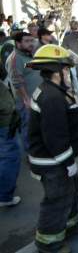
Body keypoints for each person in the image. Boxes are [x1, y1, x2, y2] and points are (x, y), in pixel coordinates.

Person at [26, 44, 78, 253]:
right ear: (57, 71)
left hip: (58, 159)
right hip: (53, 162)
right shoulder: (52, 97)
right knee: (57, 200)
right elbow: (55, 137)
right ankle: (48, 243)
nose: (69, 73)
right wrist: (68, 162)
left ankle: (70, 227)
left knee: (71, 192)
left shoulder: (54, 90)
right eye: (66, 69)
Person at [5, 32, 41, 150]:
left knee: (38, 127)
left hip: (38, 98)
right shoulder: (15, 59)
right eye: (27, 41)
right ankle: (32, 154)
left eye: (32, 40)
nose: (31, 43)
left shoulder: (29, 55)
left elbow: (31, 72)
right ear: (18, 43)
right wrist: (26, 100)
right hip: (27, 102)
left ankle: (39, 149)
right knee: (29, 128)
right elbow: (17, 82)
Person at [0, 78, 21, 207]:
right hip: (4, 124)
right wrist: (12, 108)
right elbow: (5, 106)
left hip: (5, 124)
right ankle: (5, 196)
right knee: (10, 157)